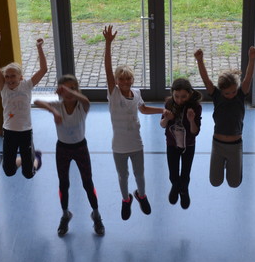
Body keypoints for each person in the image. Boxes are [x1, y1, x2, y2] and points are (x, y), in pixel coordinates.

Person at [103, 25, 165, 220]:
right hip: (119, 146)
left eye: (128, 79)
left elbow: (143, 109)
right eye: (121, 79)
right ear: (116, 81)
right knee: (123, 176)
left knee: (140, 175)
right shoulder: (113, 94)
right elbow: (107, 68)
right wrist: (108, 44)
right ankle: (126, 200)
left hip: (136, 144)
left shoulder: (136, 93)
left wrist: (163, 110)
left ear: (132, 79)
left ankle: (141, 195)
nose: (125, 82)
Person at [34, 75, 105, 236]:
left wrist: (70, 91)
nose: (69, 92)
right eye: (64, 89)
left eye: (73, 88)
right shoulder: (58, 106)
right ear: (59, 92)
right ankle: (65, 214)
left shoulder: (82, 106)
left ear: (77, 90)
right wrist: (53, 111)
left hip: (80, 148)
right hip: (63, 149)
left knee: (87, 183)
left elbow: (86, 100)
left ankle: (96, 214)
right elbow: (37, 101)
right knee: (63, 184)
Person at [195, 45, 255, 188]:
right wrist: (200, 61)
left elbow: (248, 78)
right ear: (221, 91)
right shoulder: (217, 96)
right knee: (215, 182)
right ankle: (223, 163)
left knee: (234, 183)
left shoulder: (240, 95)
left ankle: (233, 164)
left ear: (237, 88)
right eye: (227, 93)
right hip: (218, 144)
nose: (230, 95)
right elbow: (206, 80)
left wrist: (252, 59)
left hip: (235, 146)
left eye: (233, 92)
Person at [0, 30, 46, 179]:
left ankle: (36, 158)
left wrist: (39, 48)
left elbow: (43, 70)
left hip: (25, 132)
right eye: (7, 76)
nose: (9, 79)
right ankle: (23, 159)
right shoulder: (3, 87)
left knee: (28, 174)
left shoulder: (26, 85)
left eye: (13, 76)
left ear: (20, 77)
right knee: (9, 171)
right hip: (9, 132)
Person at [160, 77, 202, 209]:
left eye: (184, 97)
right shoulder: (169, 104)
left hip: (188, 145)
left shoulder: (195, 107)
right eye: (176, 96)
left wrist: (191, 120)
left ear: (190, 94)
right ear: (172, 94)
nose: (179, 100)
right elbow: (162, 125)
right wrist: (166, 119)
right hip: (172, 144)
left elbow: (195, 132)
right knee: (173, 174)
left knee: (185, 174)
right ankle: (175, 186)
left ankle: (184, 190)